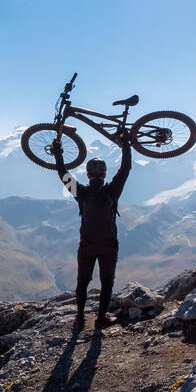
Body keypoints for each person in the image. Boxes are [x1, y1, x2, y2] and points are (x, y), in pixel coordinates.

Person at [52, 132, 131, 331]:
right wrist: (126, 144)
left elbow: (63, 174)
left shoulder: (81, 192)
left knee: (82, 282)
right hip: (108, 247)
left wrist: (57, 152)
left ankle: (79, 318)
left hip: (86, 246)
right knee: (107, 283)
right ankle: (100, 319)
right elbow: (126, 168)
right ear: (104, 174)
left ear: (88, 175)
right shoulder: (113, 190)